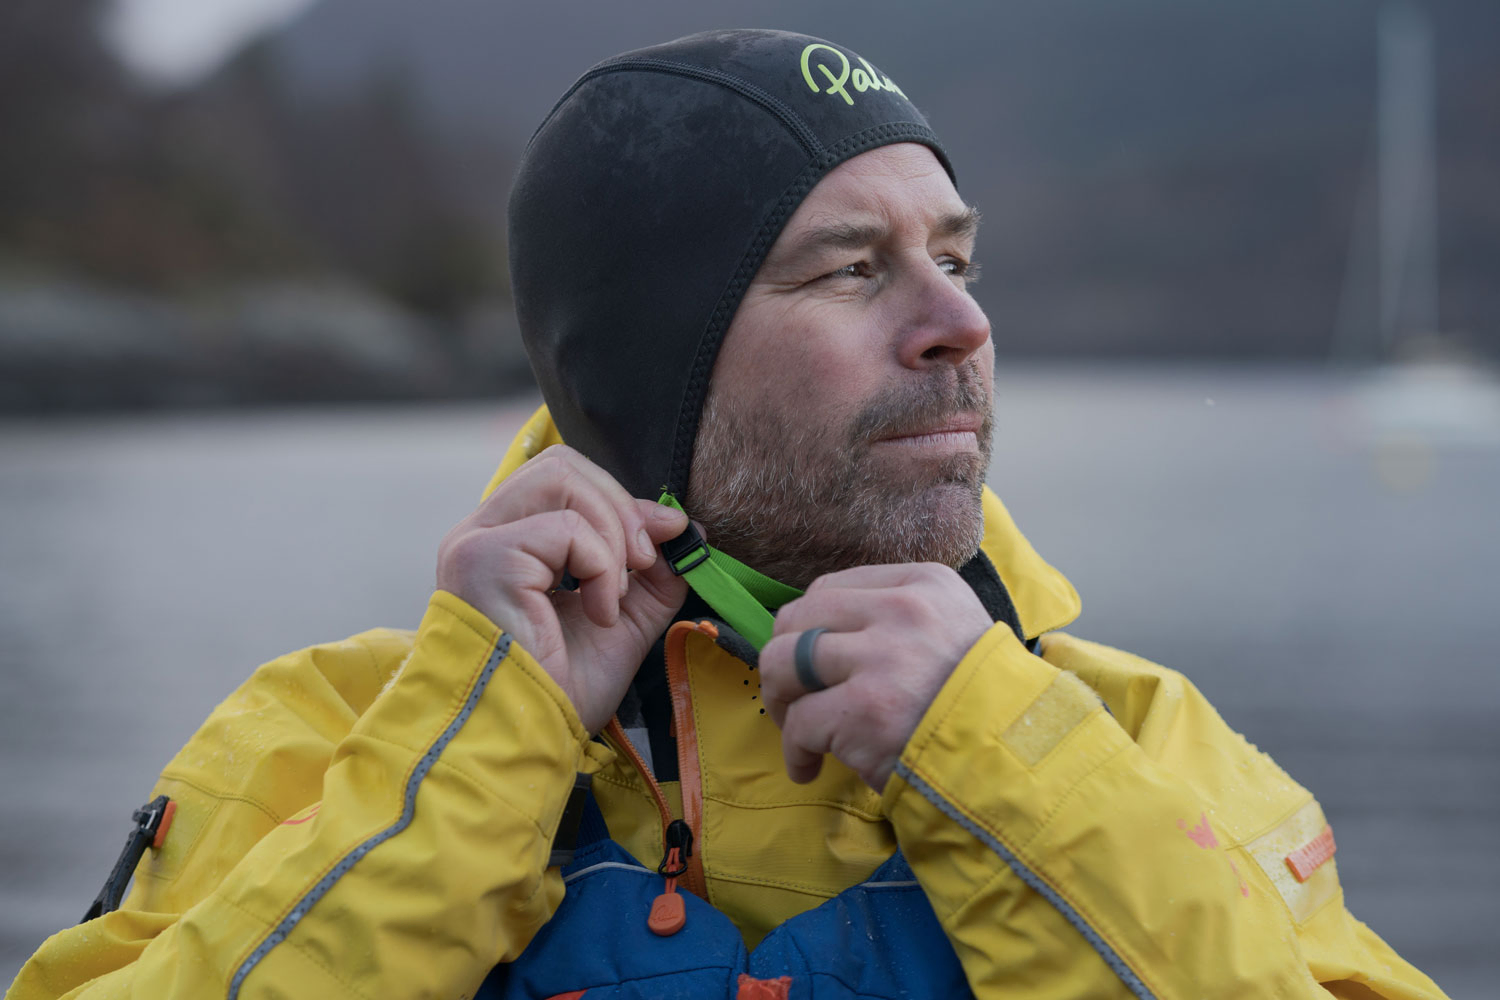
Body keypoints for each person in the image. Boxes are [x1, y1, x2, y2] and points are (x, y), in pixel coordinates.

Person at [8, 29, 1447, 1000]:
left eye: (956, 257)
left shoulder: (1129, 748)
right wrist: (481, 746)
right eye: (849, 270)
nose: (960, 322)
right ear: (653, 368)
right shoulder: (328, 743)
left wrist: (999, 770)